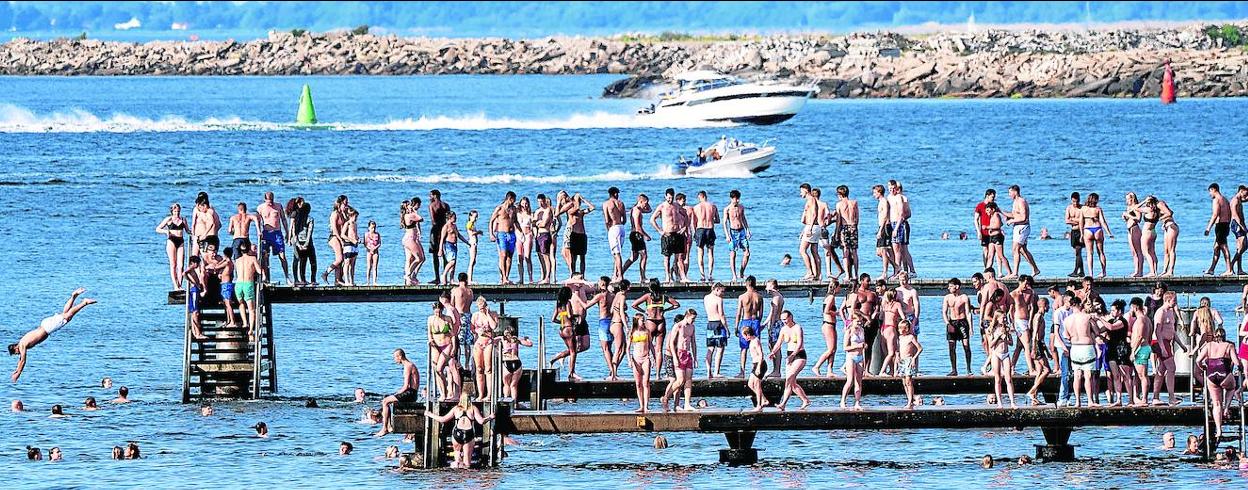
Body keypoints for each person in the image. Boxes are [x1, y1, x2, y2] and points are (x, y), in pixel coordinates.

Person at [9, 288, 96, 382]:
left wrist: (18, 374)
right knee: (64, 315)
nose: (18, 354)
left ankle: (84, 303)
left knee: (67, 317)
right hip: (45, 325)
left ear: (15, 348)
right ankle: (74, 296)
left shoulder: (22, 345)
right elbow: (20, 360)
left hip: (47, 328)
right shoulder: (22, 343)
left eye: (16, 353)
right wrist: (17, 369)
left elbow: (23, 361)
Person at [425, 392, 494, 469]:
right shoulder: (473, 408)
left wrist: (430, 414)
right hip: (469, 434)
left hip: (457, 434)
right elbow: (481, 421)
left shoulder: (456, 409)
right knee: (467, 463)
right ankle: (466, 476)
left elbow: (443, 419)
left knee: (457, 458)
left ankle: (457, 476)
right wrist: (490, 417)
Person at [631, 279, 680, 378]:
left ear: (650, 287)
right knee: (659, 350)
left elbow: (634, 305)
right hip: (661, 321)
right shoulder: (663, 297)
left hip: (650, 321)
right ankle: (658, 375)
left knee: (647, 347)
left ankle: (646, 373)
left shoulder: (648, 296)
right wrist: (666, 309)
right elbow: (676, 304)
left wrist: (644, 311)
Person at [1197, 328, 1238, 438]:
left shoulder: (1209, 345)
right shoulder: (1229, 346)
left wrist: (1203, 367)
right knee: (1232, 388)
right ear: (1224, 336)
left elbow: (1198, 360)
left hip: (1211, 375)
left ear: (1215, 336)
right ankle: (1226, 408)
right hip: (1224, 373)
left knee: (1216, 404)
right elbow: (1236, 362)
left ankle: (1219, 430)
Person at [1151, 292, 1189, 406]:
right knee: (1172, 368)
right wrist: (1162, 348)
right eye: (1174, 300)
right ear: (1168, 300)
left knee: (1161, 370)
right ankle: (1171, 397)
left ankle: (1155, 397)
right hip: (1159, 342)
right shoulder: (1161, 312)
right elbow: (1157, 331)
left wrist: (1181, 345)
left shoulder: (1171, 312)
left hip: (1168, 342)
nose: (1176, 302)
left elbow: (1172, 331)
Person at [1062, 295, 1100, 407]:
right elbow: (1097, 331)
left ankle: (1077, 401)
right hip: (1086, 347)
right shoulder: (1087, 317)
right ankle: (1090, 401)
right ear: (1080, 304)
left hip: (1075, 348)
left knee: (1077, 375)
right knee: (1088, 375)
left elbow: (1066, 336)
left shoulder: (1067, 320)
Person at [770, 310, 811, 410]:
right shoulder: (783, 329)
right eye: (782, 320)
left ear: (790, 317)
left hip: (799, 355)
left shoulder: (797, 327)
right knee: (790, 382)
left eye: (785, 319)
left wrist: (793, 355)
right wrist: (773, 352)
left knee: (789, 378)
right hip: (789, 356)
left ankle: (802, 400)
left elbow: (800, 343)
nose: (784, 321)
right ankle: (786, 404)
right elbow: (779, 343)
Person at [375, 348, 420, 437]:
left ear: (400, 356)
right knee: (388, 400)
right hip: (411, 392)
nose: (394, 360)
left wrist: (396, 394)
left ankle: (384, 428)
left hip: (410, 393)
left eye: (395, 357)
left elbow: (406, 386)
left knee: (385, 401)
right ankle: (389, 426)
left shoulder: (408, 366)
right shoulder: (409, 365)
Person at [661, 310, 697, 412]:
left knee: (688, 380)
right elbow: (671, 343)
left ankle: (687, 404)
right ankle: (666, 397)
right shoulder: (678, 326)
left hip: (687, 353)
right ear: (687, 316)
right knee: (680, 380)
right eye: (692, 318)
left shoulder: (692, 327)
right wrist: (675, 358)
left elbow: (693, 342)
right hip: (679, 353)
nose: (693, 321)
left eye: (694, 319)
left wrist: (695, 357)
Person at [732, 276, 764, 378]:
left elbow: (738, 313)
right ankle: (756, 369)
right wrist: (757, 323)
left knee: (744, 348)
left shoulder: (742, 297)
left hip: (745, 321)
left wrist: (736, 327)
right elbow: (761, 314)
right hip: (755, 321)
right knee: (756, 346)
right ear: (755, 284)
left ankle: (742, 372)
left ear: (746, 284)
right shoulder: (759, 297)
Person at [257, 191, 292, 284]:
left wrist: (287, 232)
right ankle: (266, 278)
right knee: (265, 256)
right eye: (269, 201)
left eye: (272, 200)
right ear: (265, 199)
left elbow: (283, 219)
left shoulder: (278, 206)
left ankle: (287, 277)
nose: (271, 203)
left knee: (282, 256)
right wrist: (259, 232)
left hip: (277, 233)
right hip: (266, 233)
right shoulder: (260, 208)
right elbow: (258, 222)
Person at [651, 188, 686, 282]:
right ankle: (668, 277)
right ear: (665, 196)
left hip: (677, 234)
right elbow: (652, 219)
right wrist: (660, 231)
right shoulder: (662, 206)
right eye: (669, 198)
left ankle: (683, 277)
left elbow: (685, 215)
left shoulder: (677, 206)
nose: (670, 199)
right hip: (667, 234)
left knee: (679, 257)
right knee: (667, 257)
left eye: (672, 197)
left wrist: (684, 227)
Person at [1006, 185, 1039, 277]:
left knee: (1015, 249)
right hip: (1017, 227)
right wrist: (1001, 212)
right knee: (1022, 250)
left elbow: (1024, 217)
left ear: (1015, 192)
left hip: (1022, 227)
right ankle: (1035, 269)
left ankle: (1015, 273)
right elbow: (1014, 214)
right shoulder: (1015, 202)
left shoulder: (1021, 201)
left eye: (1010, 192)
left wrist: (1012, 221)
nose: (1009, 195)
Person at [942, 278, 973, 376]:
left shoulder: (964, 297)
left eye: (951, 286)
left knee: (966, 346)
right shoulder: (947, 297)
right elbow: (944, 312)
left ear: (957, 286)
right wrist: (948, 323)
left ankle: (968, 369)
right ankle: (954, 369)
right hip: (952, 322)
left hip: (962, 322)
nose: (949, 288)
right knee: (951, 347)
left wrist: (971, 327)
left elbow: (968, 313)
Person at [469, 297, 499, 401]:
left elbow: (494, 326)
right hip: (479, 342)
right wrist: (478, 332)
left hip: (488, 341)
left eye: (483, 307)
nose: (481, 309)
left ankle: (489, 394)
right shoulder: (475, 315)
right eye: (480, 308)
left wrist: (488, 314)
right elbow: (472, 329)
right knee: (479, 368)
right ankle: (480, 394)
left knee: (488, 369)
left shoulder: (493, 314)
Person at [1025, 297, 1052, 405]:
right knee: (1047, 370)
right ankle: (1032, 391)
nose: (1049, 307)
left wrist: (1047, 352)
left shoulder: (1041, 317)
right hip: (1036, 345)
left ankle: (1034, 398)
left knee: (1040, 371)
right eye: (1048, 305)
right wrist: (1034, 349)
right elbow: (1035, 334)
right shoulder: (1038, 316)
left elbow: (1041, 338)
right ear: (1044, 306)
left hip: (1039, 344)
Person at [812, 280, 842, 377]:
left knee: (834, 349)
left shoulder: (829, 296)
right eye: (839, 287)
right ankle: (817, 366)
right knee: (830, 349)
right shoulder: (831, 297)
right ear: (836, 287)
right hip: (828, 324)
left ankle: (830, 370)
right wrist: (836, 313)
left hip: (831, 325)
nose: (840, 289)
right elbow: (826, 311)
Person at [620, 193, 653, 282]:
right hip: (636, 235)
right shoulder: (637, 211)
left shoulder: (638, 209)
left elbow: (650, 210)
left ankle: (620, 274)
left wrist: (646, 202)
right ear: (640, 201)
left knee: (633, 257)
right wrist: (646, 236)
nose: (646, 205)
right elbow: (638, 227)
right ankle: (643, 277)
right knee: (644, 256)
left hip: (634, 235)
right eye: (645, 203)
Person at [156, 203, 189, 290]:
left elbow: (188, 230)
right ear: (172, 211)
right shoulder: (168, 219)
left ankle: (180, 285)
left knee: (181, 265)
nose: (177, 213)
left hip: (181, 241)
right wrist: (166, 232)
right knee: (173, 264)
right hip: (171, 241)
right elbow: (158, 229)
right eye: (175, 211)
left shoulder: (183, 219)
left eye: (178, 211)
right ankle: (175, 285)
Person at [1080, 193, 1113, 278]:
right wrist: (1109, 233)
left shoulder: (1083, 209)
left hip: (1088, 230)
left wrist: (1081, 234)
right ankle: (1103, 272)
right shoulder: (1098, 209)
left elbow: (1081, 222)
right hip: (1097, 229)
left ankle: (1091, 274)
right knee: (1101, 252)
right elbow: (1103, 222)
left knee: (1089, 253)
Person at [233, 241, 262, 340]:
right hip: (247, 284)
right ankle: (250, 330)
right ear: (249, 249)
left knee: (241, 304)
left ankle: (245, 323)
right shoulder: (253, 259)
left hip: (238, 284)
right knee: (251, 309)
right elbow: (259, 271)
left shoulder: (237, 260)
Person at [1205, 183, 1235, 276]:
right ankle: (1211, 269)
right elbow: (1230, 213)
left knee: (1223, 247)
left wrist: (1208, 228)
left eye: (1210, 192)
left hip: (1220, 225)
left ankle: (1229, 269)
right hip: (1226, 224)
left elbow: (1215, 214)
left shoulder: (1216, 200)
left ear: (1213, 189)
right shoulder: (1225, 200)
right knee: (1216, 247)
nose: (1210, 194)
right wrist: (1228, 224)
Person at [988, 311, 1017, 408]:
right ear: (997, 318)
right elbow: (991, 345)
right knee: (998, 379)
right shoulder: (992, 329)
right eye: (1002, 318)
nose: (1004, 320)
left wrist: (1005, 339)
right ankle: (1000, 403)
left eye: (1005, 318)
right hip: (996, 354)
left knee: (1008, 379)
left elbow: (1011, 343)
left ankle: (1012, 402)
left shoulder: (1007, 329)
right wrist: (998, 337)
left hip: (1006, 354)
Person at [722, 189, 751, 282]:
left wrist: (748, 230)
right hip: (732, 232)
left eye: (738, 199)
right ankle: (734, 275)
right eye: (736, 199)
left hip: (741, 230)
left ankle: (741, 273)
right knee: (733, 254)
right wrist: (727, 235)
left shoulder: (741, 207)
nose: (737, 201)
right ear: (731, 198)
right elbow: (724, 223)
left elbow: (743, 218)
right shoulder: (727, 209)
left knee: (747, 253)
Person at [287, 198, 317, 286]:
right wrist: (301, 243)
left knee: (301, 260)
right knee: (305, 260)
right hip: (301, 241)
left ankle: (302, 279)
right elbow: (293, 229)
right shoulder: (296, 215)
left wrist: (298, 244)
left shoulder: (299, 216)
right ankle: (306, 279)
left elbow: (293, 231)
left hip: (299, 241)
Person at [886, 181, 914, 275]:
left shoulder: (901, 198)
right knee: (896, 250)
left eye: (894, 188)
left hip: (900, 224)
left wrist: (897, 227)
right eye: (890, 188)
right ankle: (901, 270)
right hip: (892, 223)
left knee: (902, 249)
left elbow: (905, 213)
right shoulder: (889, 197)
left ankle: (908, 270)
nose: (892, 190)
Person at [691, 190, 720, 281]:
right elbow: (718, 220)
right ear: (706, 196)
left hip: (700, 229)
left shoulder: (696, 207)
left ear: (700, 197)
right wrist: (711, 220)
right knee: (710, 253)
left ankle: (702, 274)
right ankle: (710, 274)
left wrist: (694, 233)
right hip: (710, 229)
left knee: (700, 253)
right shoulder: (713, 206)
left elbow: (693, 223)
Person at [841, 312, 867, 409]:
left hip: (860, 357)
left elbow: (863, 344)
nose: (859, 323)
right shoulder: (849, 332)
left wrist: (864, 347)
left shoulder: (862, 330)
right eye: (857, 322)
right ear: (852, 321)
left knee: (859, 381)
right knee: (850, 380)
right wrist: (857, 346)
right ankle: (843, 400)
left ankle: (857, 402)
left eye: (861, 322)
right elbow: (845, 348)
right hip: (851, 357)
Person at [628, 313, 653, 413]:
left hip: (645, 357)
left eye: (644, 320)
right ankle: (641, 405)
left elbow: (651, 345)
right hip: (636, 358)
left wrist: (654, 357)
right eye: (642, 320)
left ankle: (646, 406)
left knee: (645, 382)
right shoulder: (632, 332)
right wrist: (629, 360)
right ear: (637, 321)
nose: (643, 322)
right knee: (638, 383)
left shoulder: (647, 331)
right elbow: (628, 348)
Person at [499, 326, 533, 400]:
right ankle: (514, 404)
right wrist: (526, 338)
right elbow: (530, 344)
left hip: (506, 362)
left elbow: (490, 341)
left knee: (506, 384)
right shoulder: (516, 339)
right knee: (513, 385)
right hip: (516, 362)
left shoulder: (502, 338)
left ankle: (506, 402)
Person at [703, 283, 728, 378]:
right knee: (720, 348)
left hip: (710, 323)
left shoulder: (706, 298)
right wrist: (726, 328)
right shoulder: (719, 299)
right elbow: (721, 314)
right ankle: (716, 371)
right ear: (717, 289)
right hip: (718, 324)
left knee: (710, 348)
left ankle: (708, 370)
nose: (723, 294)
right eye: (722, 291)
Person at [871, 184, 897, 279]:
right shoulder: (880, 201)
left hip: (885, 227)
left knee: (883, 250)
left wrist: (881, 230)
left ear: (879, 192)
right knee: (880, 252)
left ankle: (885, 272)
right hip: (882, 227)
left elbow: (885, 216)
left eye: (874, 193)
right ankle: (896, 267)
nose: (873, 195)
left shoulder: (884, 201)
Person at [743, 324, 770, 412]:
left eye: (744, 336)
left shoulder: (756, 341)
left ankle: (759, 405)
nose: (744, 338)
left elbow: (761, 354)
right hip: (755, 364)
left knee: (757, 386)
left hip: (760, 365)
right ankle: (764, 399)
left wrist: (758, 367)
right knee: (750, 384)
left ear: (748, 334)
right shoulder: (751, 341)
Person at [835, 185, 860, 279]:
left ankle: (847, 275)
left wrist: (837, 233)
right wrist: (854, 226)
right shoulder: (854, 203)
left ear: (840, 194)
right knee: (854, 251)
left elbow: (838, 221)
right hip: (853, 227)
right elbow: (857, 217)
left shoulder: (839, 204)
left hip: (845, 228)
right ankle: (856, 274)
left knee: (845, 251)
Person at [427, 190, 451, 285]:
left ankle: (437, 277)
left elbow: (433, 220)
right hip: (445, 229)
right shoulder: (446, 205)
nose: (429, 197)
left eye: (431, 195)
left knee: (435, 254)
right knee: (445, 253)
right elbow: (449, 218)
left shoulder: (432, 205)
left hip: (436, 230)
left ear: (435, 195)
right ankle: (445, 277)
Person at [763, 279, 786, 378]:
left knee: (775, 347)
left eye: (767, 286)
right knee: (773, 346)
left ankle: (777, 370)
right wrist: (764, 323)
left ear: (772, 286)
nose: (765, 288)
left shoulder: (776, 297)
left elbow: (774, 313)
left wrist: (770, 326)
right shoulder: (778, 296)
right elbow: (771, 312)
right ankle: (776, 370)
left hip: (776, 324)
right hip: (778, 323)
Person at [897, 320, 922, 409]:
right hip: (902, 361)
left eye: (901, 328)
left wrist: (914, 358)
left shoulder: (911, 337)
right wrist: (897, 357)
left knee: (908, 381)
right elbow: (898, 349)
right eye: (899, 328)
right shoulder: (900, 338)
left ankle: (910, 401)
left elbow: (920, 348)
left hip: (908, 360)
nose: (899, 330)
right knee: (904, 382)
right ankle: (909, 398)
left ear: (906, 329)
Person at [439, 212, 469, 285]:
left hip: (454, 245)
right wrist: (440, 249)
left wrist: (467, 242)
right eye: (454, 217)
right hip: (448, 245)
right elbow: (442, 239)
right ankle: (444, 274)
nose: (456, 219)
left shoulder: (454, 226)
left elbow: (459, 235)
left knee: (454, 264)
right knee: (452, 261)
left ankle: (451, 279)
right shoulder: (446, 227)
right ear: (450, 217)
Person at [191, 192, 223, 258]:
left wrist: (213, 234)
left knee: (207, 257)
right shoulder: (196, 210)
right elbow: (193, 224)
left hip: (208, 237)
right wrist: (193, 235)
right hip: (198, 236)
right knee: (195, 256)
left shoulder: (210, 210)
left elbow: (218, 224)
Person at [515, 197, 536, 284]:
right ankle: (521, 279)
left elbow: (533, 226)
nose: (524, 205)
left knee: (527, 257)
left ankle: (531, 278)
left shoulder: (531, 214)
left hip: (528, 234)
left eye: (526, 203)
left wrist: (534, 234)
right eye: (523, 203)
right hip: (519, 235)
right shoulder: (517, 213)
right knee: (520, 257)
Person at [1063, 192, 1085, 277]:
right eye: (1073, 201)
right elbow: (1067, 220)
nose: (1075, 203)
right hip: (1073, 231)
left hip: (1080, 231)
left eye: (1076, 201)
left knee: (1078, 251)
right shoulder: (1069, 208)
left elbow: (1083, 221)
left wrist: (1074, 220)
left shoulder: (1082, 208)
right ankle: (1082, 271)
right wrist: (1077, 221)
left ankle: (1076, 271)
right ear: (1071, 200)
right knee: (1077, 252)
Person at [1122, 192, 1144, 277]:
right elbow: (1128, 219)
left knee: (1138, 251)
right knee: (1133, 252)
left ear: (1132, 199)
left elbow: (1138, 219)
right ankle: (1136, 270)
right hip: (1129, 229)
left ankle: (1140, 271)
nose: (1127, 200)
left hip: (1135, 229)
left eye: (1128, 198)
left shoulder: (1136, 207)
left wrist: (1128, 215)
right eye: (1126, 199)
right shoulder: (1129, 207)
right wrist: (1125, 217)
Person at [363, 220, 381, 286]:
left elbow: (379, 243)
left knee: (375, 266)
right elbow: (365, 243)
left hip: (376, 251)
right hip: (369, 251)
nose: (373, 229)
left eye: (374, 228)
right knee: (368, 267)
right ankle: (367, 282)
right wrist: (369, 249)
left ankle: (374, 282)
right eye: (371, 228)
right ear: (369, 228)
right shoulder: (366, 234)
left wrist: (375, 248)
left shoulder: (377, 234)